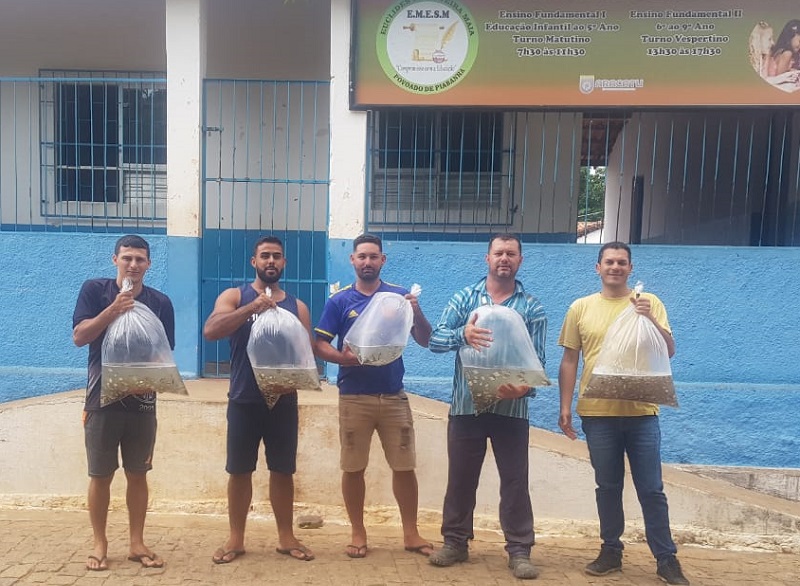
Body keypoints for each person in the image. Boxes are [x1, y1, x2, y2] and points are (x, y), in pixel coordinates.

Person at [557, 241, 689, 586]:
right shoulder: (580, 307)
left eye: (621, 262)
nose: (615, 267)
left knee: (652, 488)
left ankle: (666, 559)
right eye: (609, 262)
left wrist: (649, 318)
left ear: (630, 268)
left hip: (642, 412)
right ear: (597, 268)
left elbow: (669, 351)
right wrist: (564, 407)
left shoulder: (649, 302)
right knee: (608, 486)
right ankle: (610, 551)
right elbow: (569, 360)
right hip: (597, 413)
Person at [426, 233, 546, 580]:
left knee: (515, 481)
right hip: (466, 407)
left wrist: (523, 388)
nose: (504, 258)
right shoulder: (465, 298)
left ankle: (519, 550)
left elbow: (538, 361)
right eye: (498, 253)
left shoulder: (532, 307)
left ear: (520, 260)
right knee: (461, 479)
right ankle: (455, 543)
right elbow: (435, 340)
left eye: (511, 253)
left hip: (512, 410)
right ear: (487, 258)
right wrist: (462, 334)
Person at [313, 233, 434, 560]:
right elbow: (320, 344)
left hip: (394, 397)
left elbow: (424, 339)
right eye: (362, 256)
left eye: (373, 256)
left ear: (383, 260)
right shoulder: (340, 301)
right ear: (352, 260)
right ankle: (358, 532)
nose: (367, 262)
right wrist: (344, 359)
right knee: (353, 468)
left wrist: (417, 311)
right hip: (354, 397)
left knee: (404, 467)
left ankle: (411, 533)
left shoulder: (399, 296)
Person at [203, 236, 315, 563]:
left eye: (277, 256)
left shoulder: (297, 306)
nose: (271, 261)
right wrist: (252, 308)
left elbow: (306, 354)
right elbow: (211, 330)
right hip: (244, 399)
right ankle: (235, 539)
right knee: (239, 471)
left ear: (284, 263)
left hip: (283, 401)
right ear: (254, 262)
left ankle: (286, 537)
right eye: (265, 256)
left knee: (283, 471)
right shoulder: (235, 296)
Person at [72, 235, 173, 571]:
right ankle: (100, 543)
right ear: (114, 259)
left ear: (149, 264)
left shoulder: (160, 303)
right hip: (100, 400)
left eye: (140, 259)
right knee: (100, 475)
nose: (133, 264)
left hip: (142, 403)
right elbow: (80, 336)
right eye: (127, 258)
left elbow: (164, 354)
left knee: (138, 474)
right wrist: (113, 310)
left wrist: (146, 380)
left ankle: (136, 542)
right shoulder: (94, 291)